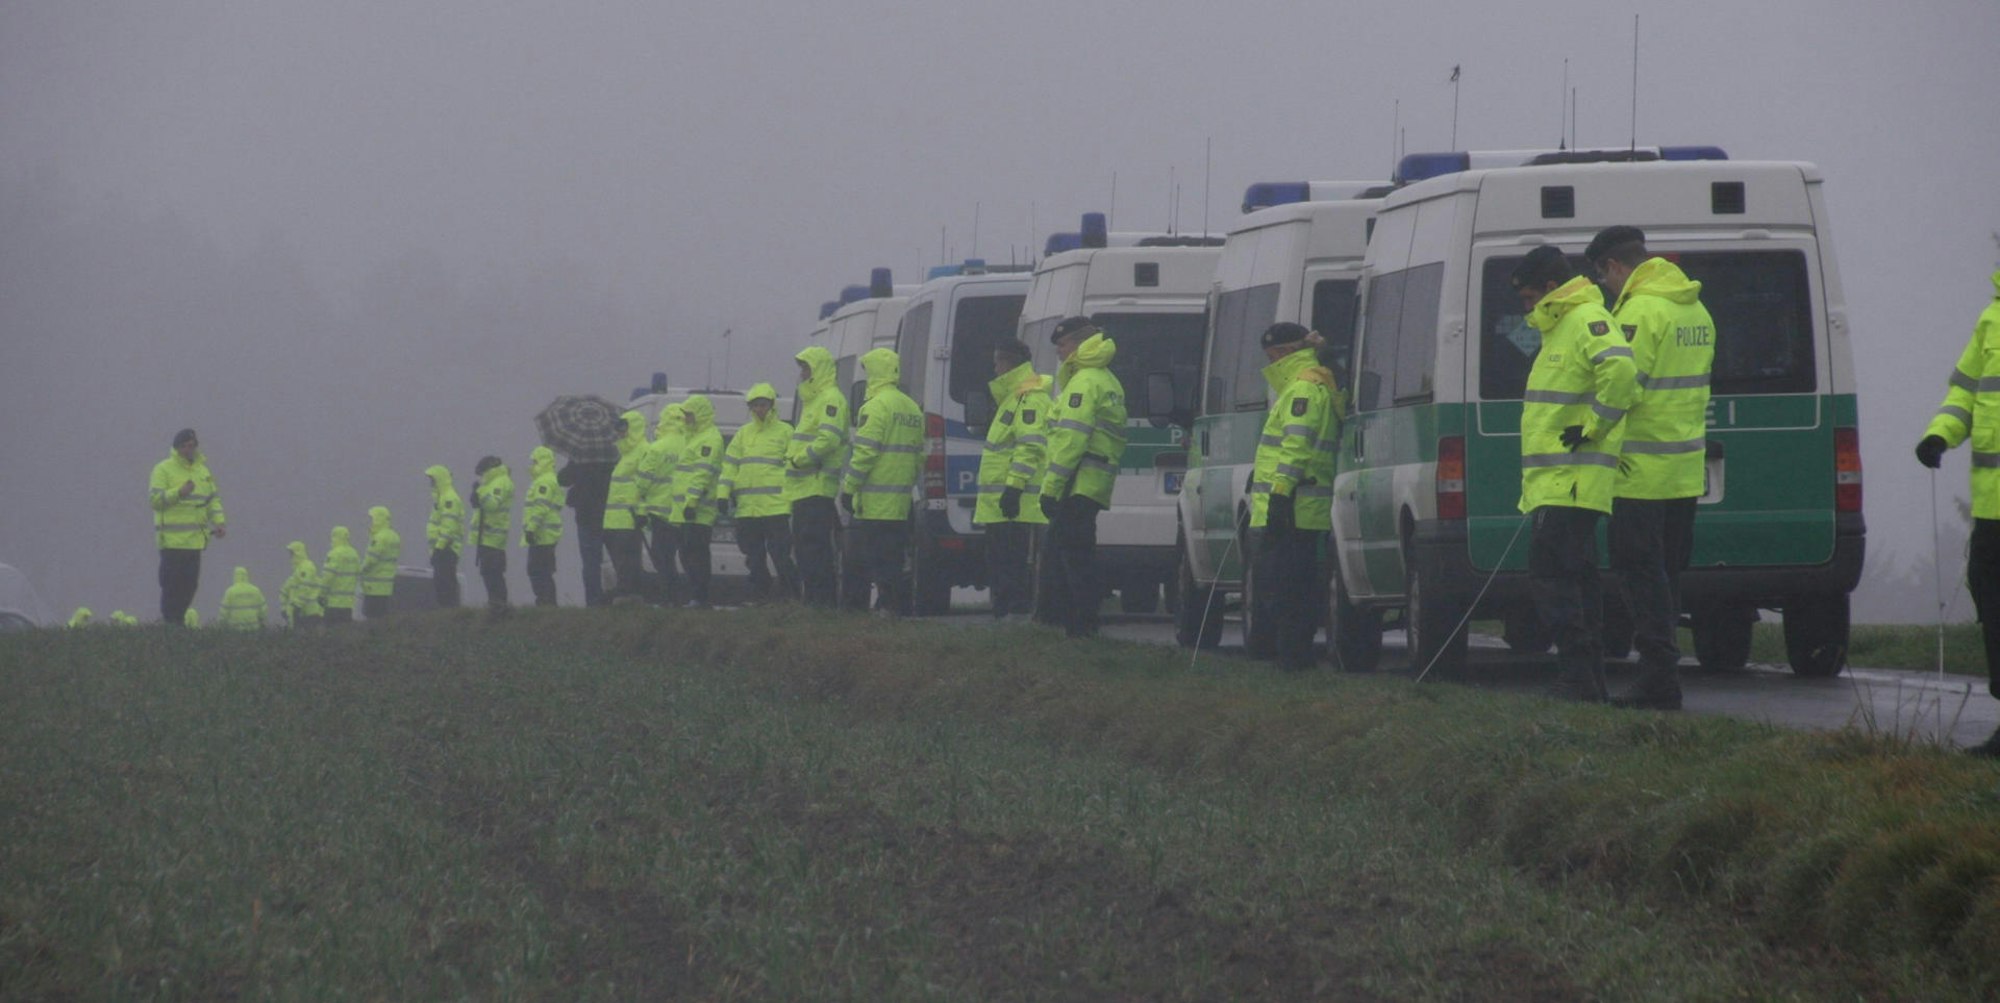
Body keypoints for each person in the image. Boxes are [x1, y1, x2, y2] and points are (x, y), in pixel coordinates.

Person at [1586, 225, 1717, 711]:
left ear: (1615, 266)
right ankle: (1663, 673)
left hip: (1639, 471)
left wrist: (1590, 429)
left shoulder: (1641, 310)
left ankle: (1659, 677)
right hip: (1684, 470)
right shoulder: (1694, 307)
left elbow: (1624, 384)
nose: (1606, 288)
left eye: (1604, 278)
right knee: (1666, 575)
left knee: (1640, 576)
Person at [1513, 245, 1639, 702]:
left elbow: (1622, 370)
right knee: (1575, 577)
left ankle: (1577, 678)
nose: (1526, 307)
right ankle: (1588, 680)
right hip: (1558, 482)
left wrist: (1595, 427)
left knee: (1554, 578)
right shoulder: (1559, 327)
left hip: (1572, 480)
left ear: (1550, 287)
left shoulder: (1584, 319)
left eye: (1529, 297)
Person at [1917, 267, 2000, 756]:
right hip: (1992, 508)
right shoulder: (1991, 319)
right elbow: (1965, 395)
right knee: (1992, 605)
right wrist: (1939, 435)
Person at [1249, 323, 1345, 671]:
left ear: (1286, 352)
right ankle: (1294, 657)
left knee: (1286, 588)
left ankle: (1294, 659)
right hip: (1300, 506)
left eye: (1272, 356)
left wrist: (1279, 494)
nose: (1270, 363)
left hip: (1294, 508)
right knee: (1293, 586)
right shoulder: (1306, 383)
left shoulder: (1302, 388)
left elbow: (1296, 446)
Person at [1037, 317, 1128, 638]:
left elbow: (1071, 441)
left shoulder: (1084, 382)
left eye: (1061, 346)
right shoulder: (1107, 379)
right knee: (1074, 553)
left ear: (1076, 344)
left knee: (1071, 558)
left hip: (1078, 483)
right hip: (1092, 482)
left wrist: (1051, 488)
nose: (1059, 353)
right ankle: (1070, 622)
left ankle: (1079, 626)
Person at [973, 338, 1051, 621]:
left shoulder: (1029, 399)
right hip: (1004, 503)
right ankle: (1006, 608)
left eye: (998, 362)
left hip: (1015, 503)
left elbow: (1030, 446)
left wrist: (1014, 488)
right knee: (1000, 560)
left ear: (1009, 363)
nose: (994, 369)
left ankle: (1015, 611)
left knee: (1011, 561)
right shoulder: (1013, 398)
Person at [840, 348, 923, 615]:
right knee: (895, 559)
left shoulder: (874, 407)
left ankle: (887, 608)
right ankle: (896, 608)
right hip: (900, 501)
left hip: (876, 502)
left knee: (877, 560)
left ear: (875, 372)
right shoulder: (911, 407)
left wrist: (848, 488)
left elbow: (864, 453)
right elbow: (919, 455)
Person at [721, 382, 798, 602]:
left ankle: (790, 595)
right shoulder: (743, 434)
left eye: (763, 404)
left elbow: (792, 466)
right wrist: (722, 494)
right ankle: (760, 595)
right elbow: (730, 466)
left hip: (776, 506)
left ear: (772, 405)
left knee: (781, 555)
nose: (759, 409)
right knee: (753, 557)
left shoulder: (786, 431)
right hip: (747, 509)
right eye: (755, 405)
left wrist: (789, 497)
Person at [787, 345, 850, 608]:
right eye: (801, 367)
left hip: (817, 487)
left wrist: (800, 459)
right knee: (805, 551)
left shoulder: (830, 399)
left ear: (818, 369)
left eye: (806, 367)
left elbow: (828, 439)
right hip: (803, 489)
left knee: (816, 551)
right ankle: (813, 604)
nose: (802, 372)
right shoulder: (813, 401)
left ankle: (822, 605)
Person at [149, 428, 225, 626]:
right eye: (184, 446)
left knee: (189, 588)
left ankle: (177, 626)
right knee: (171, 588)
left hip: (195, 542)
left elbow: (212, 500)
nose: (188, 449)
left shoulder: (203, 471)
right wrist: (179, 493)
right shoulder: (162, 469)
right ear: (176, 447)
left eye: (192, 445)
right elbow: (155, 500)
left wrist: (219, 522)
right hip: (172, 544)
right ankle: (171, 627)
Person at [672, 395, 726, 607]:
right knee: (687, 554)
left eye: (689, 414)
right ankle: (696, 595)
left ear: (700, 414)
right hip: (686, 510)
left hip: (698, 510)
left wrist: (692, 502)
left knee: (697, 555)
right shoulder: (694, 438)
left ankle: (700, 597)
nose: (686, 418)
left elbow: (702, 473)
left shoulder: (709, 439)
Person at [601, 411, 651, 601]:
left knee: (627, 561)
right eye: (619, 430)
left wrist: (641, 512)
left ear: (634, 428)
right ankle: (625, 592)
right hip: (614, 521)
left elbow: (645, 485)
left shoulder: (644, 451)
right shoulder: (625, 455)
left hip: (628, 519)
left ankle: (628, 593)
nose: (620, 433)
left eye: (624, 429)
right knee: (620, 561)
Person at [640, 405, 687, 605]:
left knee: (662, 557)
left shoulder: (657, 448)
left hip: (660, 513)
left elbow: (642, 481)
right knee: (687, 557)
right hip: (685, 512)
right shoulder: (690, 444)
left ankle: (670, 597)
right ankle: (685, 596)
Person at [556, 456, 613, 606]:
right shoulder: (612, 455)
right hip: (611, 513)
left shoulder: (580, 456)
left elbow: (563, 479)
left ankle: (594, 600)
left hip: (586, 515)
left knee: (591, 562)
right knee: (617, 559)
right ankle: (617, 596)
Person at [522, 446, 564, 607]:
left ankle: (546, 603)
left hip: (543, 534)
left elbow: (540, 507)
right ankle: (547, 602)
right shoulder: (549, 479)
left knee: (538, 571)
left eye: (534, 461)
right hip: (546, 534)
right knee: (543, 571)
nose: (531, 465)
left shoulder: (544, 482)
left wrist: (531, 528)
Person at [472, 455, 514, 613]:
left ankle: (499, 605)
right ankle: (495, 604)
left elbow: (493, 505)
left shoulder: (501, 482)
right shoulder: (492, 482)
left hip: (493, 537)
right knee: (488, 573)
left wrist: (479, 494)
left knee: (493, 573)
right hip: (487, 536)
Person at [423, 465, 465, 608]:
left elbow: (449, 526)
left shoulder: (449, 499)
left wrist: (439, 548)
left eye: (432, 480)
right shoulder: (441, 499)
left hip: (447, 550)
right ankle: (447, 612)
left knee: (446, 585)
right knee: (442, 586)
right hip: (441, 550)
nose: (431, 483)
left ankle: (450, 613)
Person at [360, 506, 400, 620]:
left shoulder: (379, 538)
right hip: (387, 585)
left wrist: (361, 570)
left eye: (372, 518)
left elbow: (371, 560)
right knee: (382, 619)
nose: (370, 522)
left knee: (371, 618)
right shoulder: (394, 536)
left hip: (374, 586)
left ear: (378, 519)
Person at [321, 526, 361, 624]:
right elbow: (358, 574)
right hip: (349, 605)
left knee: (330, 636)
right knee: (344, 634)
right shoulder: (354, 554)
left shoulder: (334, 554)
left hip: (333, 604)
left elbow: (327, 577)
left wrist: (321, 595)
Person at [281, 541, 324, 629]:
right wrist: (285, 608)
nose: (290, 556)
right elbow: (285, 590)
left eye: (292, 553)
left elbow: (305, 588)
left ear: (297, 552)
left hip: (310, 613)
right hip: (301, 612)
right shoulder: (297, 571)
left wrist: (297, 605)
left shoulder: (306, 567)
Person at [218, 566, 267, 630]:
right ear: (247, 576)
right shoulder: (256, 590)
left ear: (235, 576)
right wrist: (262, 622)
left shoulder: (230, 592)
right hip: (253, 627)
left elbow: (224, 612)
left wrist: (221, 626)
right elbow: (263, 609)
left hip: (235, 629)